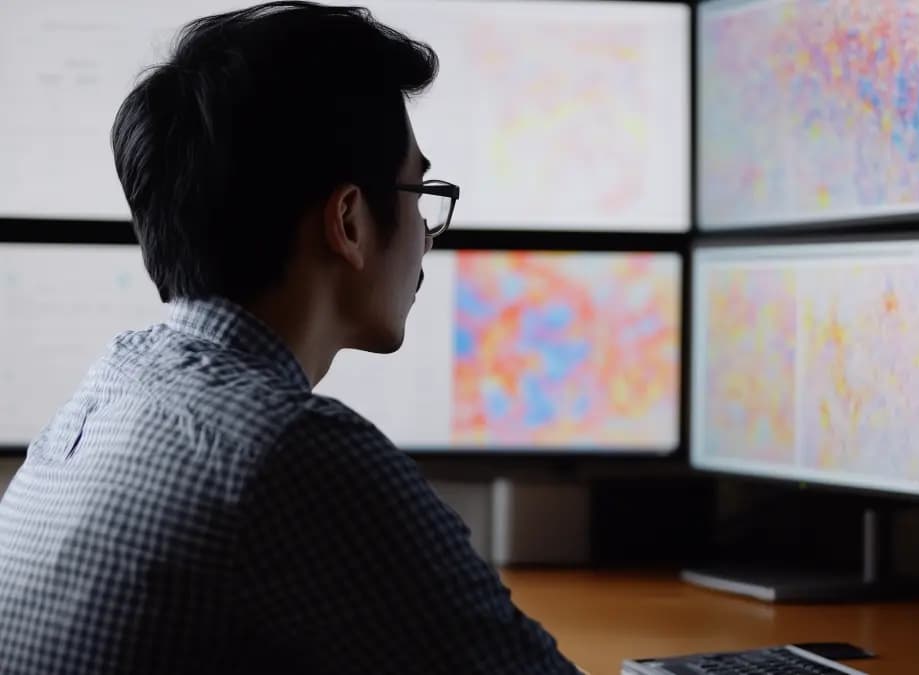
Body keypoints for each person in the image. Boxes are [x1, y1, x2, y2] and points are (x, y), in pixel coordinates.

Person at [0, 2, 581, 673]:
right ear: (349, 221)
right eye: (418, 193)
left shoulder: (109, 387)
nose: (426, 236)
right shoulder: (296, 454)